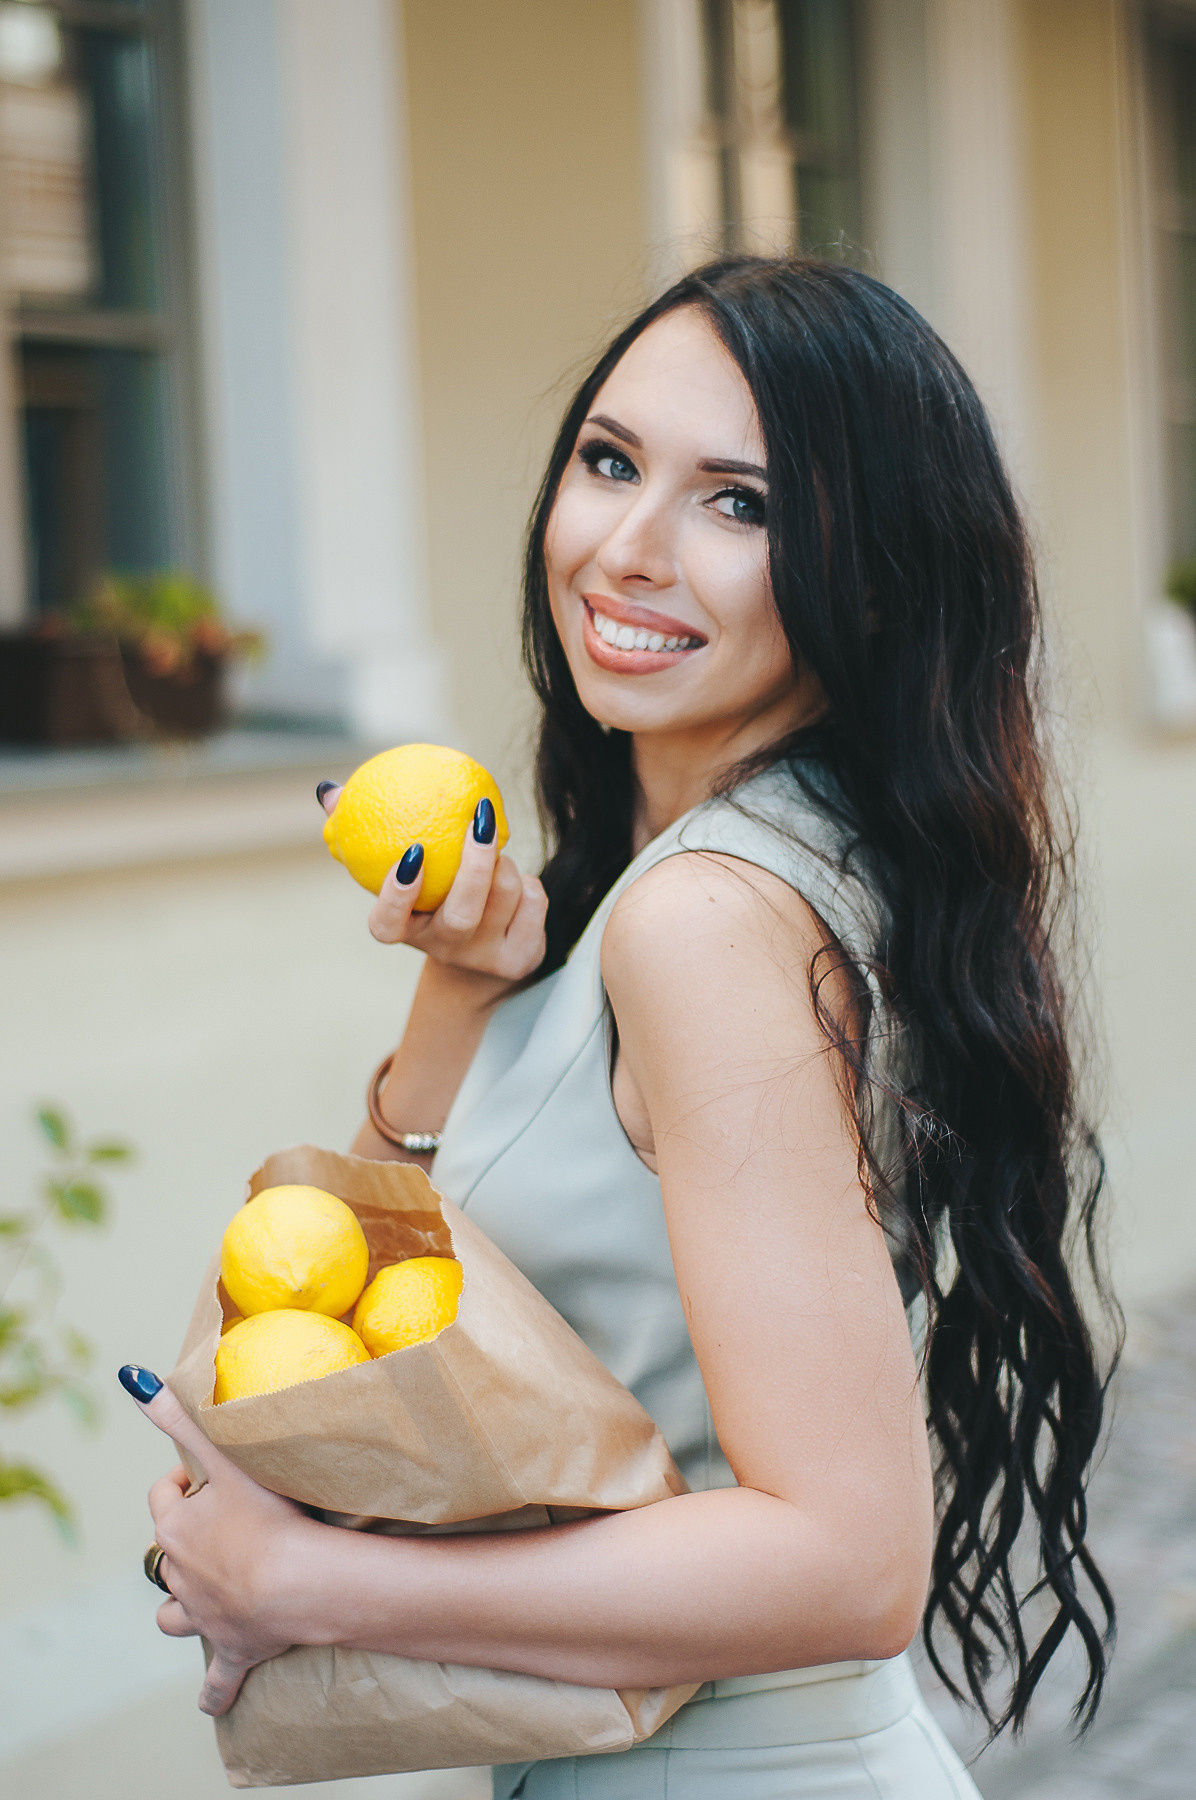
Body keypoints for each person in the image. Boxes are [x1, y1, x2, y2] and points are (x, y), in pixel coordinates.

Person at [120, 256, 1118, 1799]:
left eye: (742, 503)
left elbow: (847, 1563)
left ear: (869, 574)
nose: (627, 551)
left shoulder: (705, 920)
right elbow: (419, 1277)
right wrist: (464, 985)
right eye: (609, 462)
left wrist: (313, 1586)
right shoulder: (779, 859)